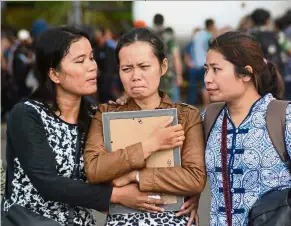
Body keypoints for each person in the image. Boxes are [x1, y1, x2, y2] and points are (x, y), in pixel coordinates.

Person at [1, 26, 150, 226]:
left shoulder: (95, 116)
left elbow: (113, 167)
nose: (92, 66)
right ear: (54, 74)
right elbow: (47, 182)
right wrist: (115, 195)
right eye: (80, 61)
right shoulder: (27, 114)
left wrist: (127, 114)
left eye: (91, 57)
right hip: (31, 220)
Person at [84, 28, 206, 226]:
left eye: (144, 66)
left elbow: (194, 178)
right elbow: (95, 169)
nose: (135, 76)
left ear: (163, 66)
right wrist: (150, 144)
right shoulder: (106, 113)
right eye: (127, 69)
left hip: (174, 220)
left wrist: (136, 175)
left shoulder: (186, 115)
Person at [199, 31, 290, 226]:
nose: (207, 78)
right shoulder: (209, 117)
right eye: (206, 69)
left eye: (216, 69)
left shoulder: (284, 116)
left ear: (246, 73)